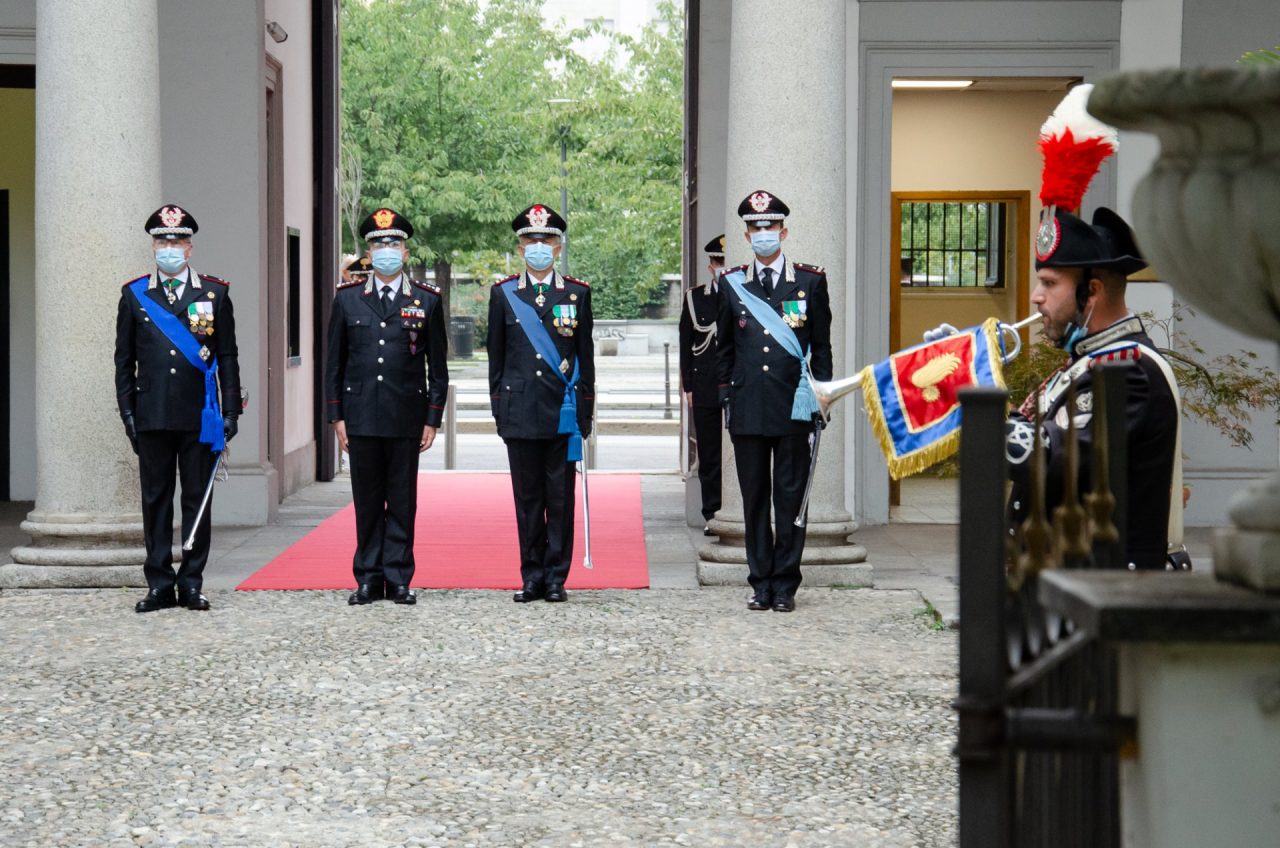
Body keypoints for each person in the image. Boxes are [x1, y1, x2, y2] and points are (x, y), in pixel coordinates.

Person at [1004, 205, 1182, 569]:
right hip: (1065, 584)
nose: (1037, 296)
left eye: (1051, 283)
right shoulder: (1089, 361)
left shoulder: (1130, 369)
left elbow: (1052, 461)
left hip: (1106, 591)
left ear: (1093, 292)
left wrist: (968, 402)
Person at [115, 204, 241, 613]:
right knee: (155, 499)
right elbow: (123, 360)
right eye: (162, 240)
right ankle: (158, 583)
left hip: (199, 416)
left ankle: (191, 583)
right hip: (152, 414)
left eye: (177, 240)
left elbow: (227, 357)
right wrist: (128, 413)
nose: (169, 247)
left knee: (195, 500)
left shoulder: (214, 293)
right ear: (154, 245)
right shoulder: (135, 295)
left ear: (189, 248)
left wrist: (230, 412)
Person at [325, 208, 449, 605]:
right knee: (365, 500)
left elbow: (438, 367)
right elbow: (334, 363)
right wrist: (336, 415)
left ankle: (398, 577)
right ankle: (367, 576)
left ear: (406, 252)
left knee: (401, 499)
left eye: (393, 244)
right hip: (360, 416)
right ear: (368, 252)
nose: (386, 251)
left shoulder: (426, 301)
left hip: (405, 416)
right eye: (379, 244)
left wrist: (433, 418)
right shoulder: (347, 300)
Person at [716, 190, 832, 612]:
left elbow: (822, 347)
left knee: (790, 498)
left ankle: (785, 584)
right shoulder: (731, 284)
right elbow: (724, 350)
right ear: (747, 235)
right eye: (755, 227)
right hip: (748, 408)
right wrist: (726, 399)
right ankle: (759, 582)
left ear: (784, 231)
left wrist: (822, 397)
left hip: (794, 407)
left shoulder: (810, 282)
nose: (763, 234)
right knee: (754, 500)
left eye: (770, 227)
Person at [487, 203, 595, 604]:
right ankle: (531, 575)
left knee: (560, 498)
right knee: (528, 499)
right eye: (530, 240)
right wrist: (500, 411)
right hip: (520, 412)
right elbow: (495, 360)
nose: (538, 246)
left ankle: (555, 577)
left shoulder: (577, 293)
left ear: (557, 247)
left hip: (561, 414)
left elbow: (587, 359)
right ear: (520, 248)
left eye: (546, 240)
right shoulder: (504, 295)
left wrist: (585, 412)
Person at [680, 234, 726, 535]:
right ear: (711, 265)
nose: (723, 266)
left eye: (727, 261)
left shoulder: (749, 294)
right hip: (706, 384)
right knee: (710, 453)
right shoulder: (695, 298)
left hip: (739, 384)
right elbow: (686, 343)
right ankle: (712, 513)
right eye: (719, 261)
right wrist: (688, 388)